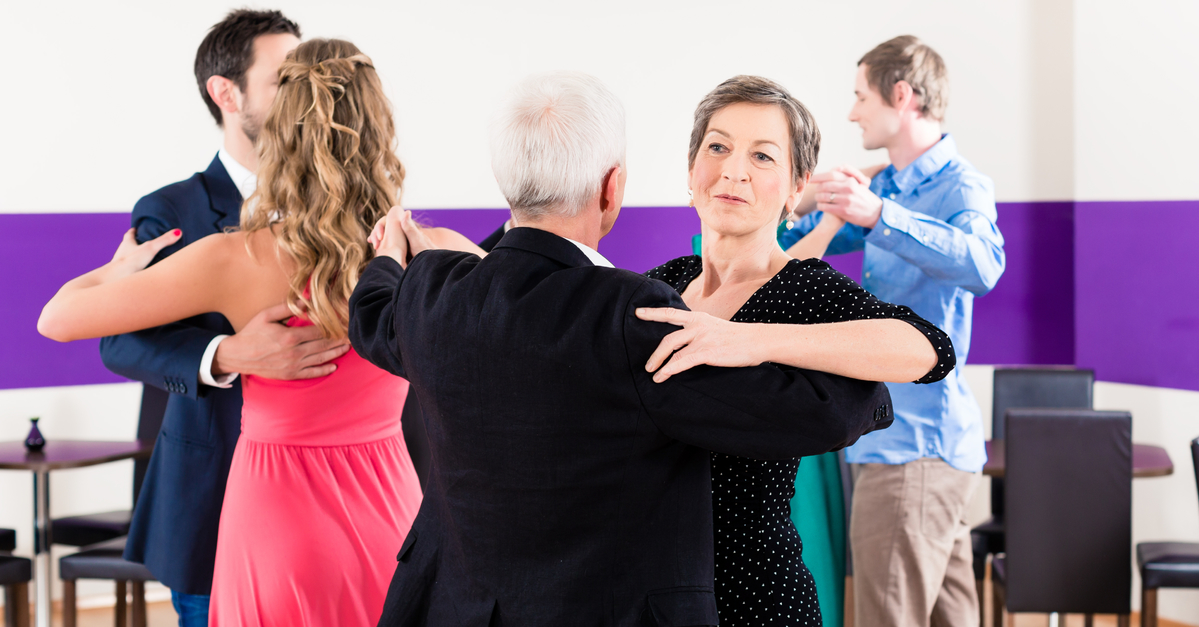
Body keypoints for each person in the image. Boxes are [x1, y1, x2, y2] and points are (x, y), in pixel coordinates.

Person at [348, 71, 896, 627]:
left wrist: (390, 257)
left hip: (452, 607)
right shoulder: (633, 315)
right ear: (612, 188)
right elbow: (809, 415)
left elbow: (371, 315)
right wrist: (864, 389)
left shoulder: (434, 293)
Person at [39, 39, 464, 625]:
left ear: (282, 137)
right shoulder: (431, 250)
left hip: (274, 518)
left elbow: (56, 318)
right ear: (378, 134)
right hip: (390, 506)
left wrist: (115, 271)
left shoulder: (233, 258)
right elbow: (558, 292)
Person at [638, 75, 955, 627]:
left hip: (753, 592)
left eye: (762, 156)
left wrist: (749, 339)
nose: (734, 170)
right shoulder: (660, 285)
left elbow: (929, 349)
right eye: (718, 147)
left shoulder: (802, 286)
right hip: (650, 589)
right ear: (692, 171)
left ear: (793, 189)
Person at [93, 10, 341, 626]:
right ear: (225, 93)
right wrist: (226, 356)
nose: (304, 95)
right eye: (285, 79)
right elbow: (119, 340)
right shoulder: (171, 209)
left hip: (330, 499)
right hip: (214, 496)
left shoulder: (340, 201)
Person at [779, 36, 1005, 627]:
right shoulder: (886, 186)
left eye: (860, 97)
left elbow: (984, 265)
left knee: (886, 617)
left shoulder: (959, 186)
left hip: (915, 451)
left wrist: (881, 215)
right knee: (950, 617)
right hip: (923, 450)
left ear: (901, 96)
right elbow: (790, 254)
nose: (852, 112)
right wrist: (806, 199)